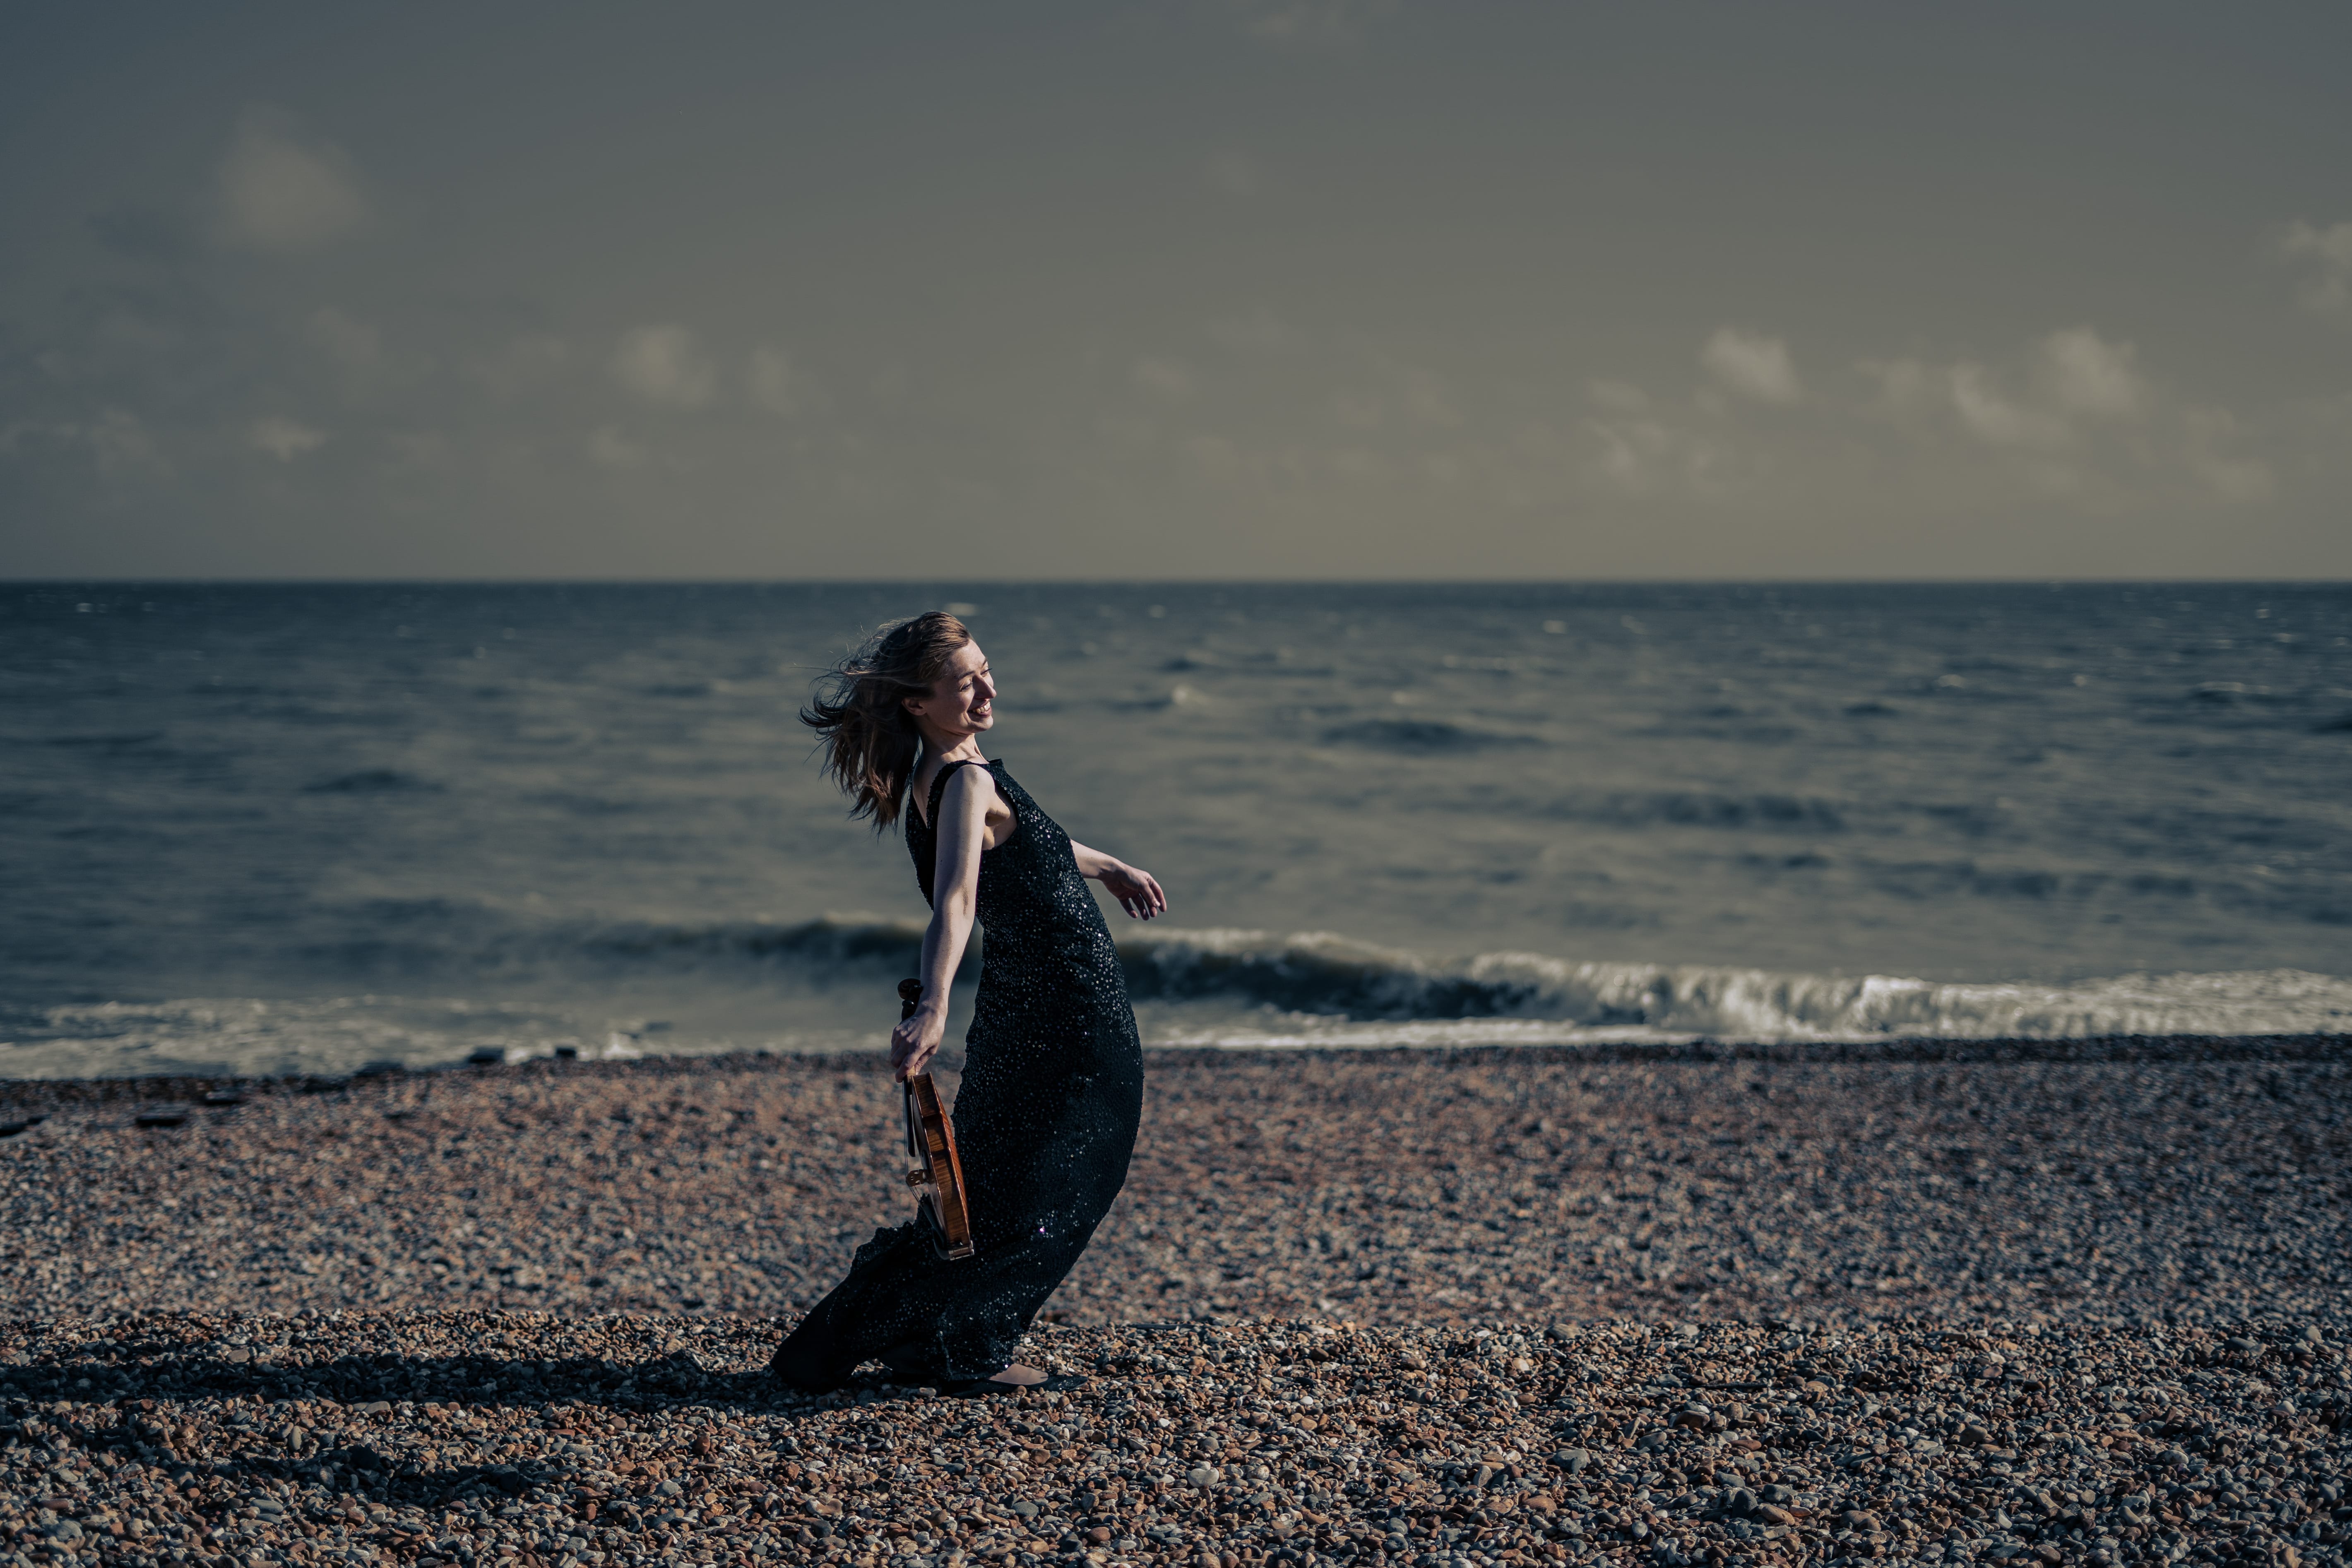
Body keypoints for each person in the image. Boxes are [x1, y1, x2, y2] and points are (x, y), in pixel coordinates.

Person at [772, 611, 1166, 1395]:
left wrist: (1106, 864)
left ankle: (863, 1341)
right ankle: (960, 1345)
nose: (986, 689)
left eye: (986, 670)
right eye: (964, 681)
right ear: (918, 703)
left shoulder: (952, 775)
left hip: (1035, 1008)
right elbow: (955, 902)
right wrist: (934, 1009)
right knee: (1067, 1178)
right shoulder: (966, 781)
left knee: (998, 1181)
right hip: (1065, 1012)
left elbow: (1030, 844)